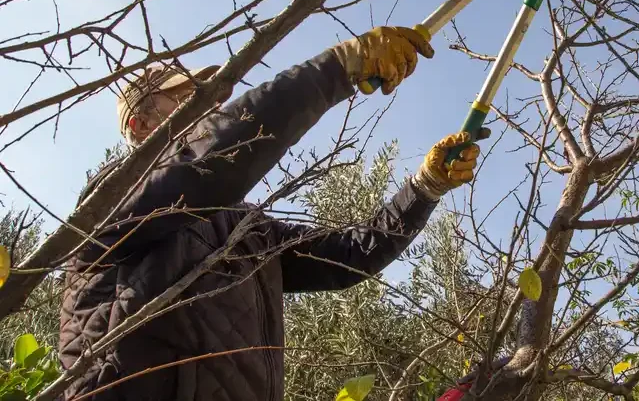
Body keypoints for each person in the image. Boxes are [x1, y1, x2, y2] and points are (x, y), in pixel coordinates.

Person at [59, 26, 483, 401]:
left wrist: (424, 188)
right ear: (139, 125)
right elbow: (215, 159)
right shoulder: (110, 197)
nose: (205, 106)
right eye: (184, 98)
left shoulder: (247, 228)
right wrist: (337, 68)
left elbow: (350, 256)